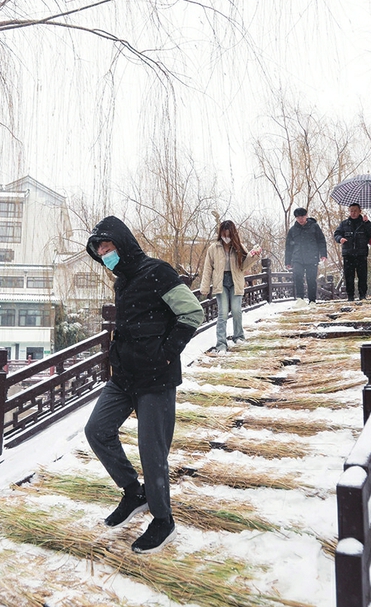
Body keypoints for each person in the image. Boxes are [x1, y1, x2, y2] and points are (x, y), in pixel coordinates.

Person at [83, 216, 205, 554]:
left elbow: (193, 313)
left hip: (155, 378)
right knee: (97, 431)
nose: (104, 253)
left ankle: (163, 520)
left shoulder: (158, 271)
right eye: (99, 250)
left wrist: (165, 354)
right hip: (123, 378)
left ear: (122, 243)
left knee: (152, 453)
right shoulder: (121, 281)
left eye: (107, 246)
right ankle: (134, 493)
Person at [199, 220, 262, 352]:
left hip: (235, 281)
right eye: (224, 233)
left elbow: (244, 266)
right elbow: (207, 268)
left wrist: (253, 256)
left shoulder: (238, 247)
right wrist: (205, 287)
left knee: (236, 311)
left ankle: (238, 336)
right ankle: (221, 343)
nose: (226, 237)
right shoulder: (213, 248)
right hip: (220, 282)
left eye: (228, 234)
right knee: (222, 313)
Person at [333, 203, 371, 301]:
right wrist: (340, 239)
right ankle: (350, 296)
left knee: (362, 276)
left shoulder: (364, 223)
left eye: (355, 211)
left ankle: (362, 295)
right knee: (349, 276)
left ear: (360, 211)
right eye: (351, 211)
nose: (353, 213)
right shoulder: (344, 224)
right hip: (348, 254)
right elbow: (336, 234)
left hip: (361, 254)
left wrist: (367, 223)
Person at [285, 207, 328, 304]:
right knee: (298, 276)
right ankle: (300, 299)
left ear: (306, 216)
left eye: (302, 216)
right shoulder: (293, 230)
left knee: (311, 279)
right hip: (297, 258)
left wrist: (323, 254)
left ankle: (312, 300)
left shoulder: (314, 227)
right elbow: (288, 246)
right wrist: (288, 261)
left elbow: (321, 240)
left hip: (312, 257)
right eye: (298, 217)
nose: (300, 219)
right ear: (296, 218)